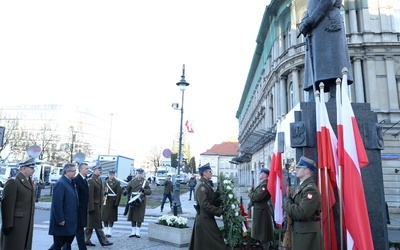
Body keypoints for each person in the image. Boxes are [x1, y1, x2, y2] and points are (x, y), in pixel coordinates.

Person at [298, 0, 353, 100]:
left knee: (333, 62)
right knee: (316, 65)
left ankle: (336, 96)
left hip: (328, 24)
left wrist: (310, 20)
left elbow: (327, 2)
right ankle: (313, 98)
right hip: (315, 30)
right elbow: (310, 10)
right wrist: (303, 23)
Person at [284, 156, 322, 250]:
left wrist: (287, 203)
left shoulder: (310, 189)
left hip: (306, 234)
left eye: (299, 167)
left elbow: (302, 212)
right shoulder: (301, 187)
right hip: (300, 230)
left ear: (307, 171)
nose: (296, 169)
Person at [189, 163, 227, 250]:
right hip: (204, 218)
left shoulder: (206, 184)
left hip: (207, 217)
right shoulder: (201, 186)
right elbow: (205, 205)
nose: (211, 173)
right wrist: (220, 211)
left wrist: (219, 193)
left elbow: (211, 200)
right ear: (204, 173)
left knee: (204, 244)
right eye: (209, 171)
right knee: (217, 242)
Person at [0, 158, 36, 250]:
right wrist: (7, 225)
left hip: (26, 224)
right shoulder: (14, 182)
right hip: (15, 225)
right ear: (23, 168)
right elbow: (7, 205)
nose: (33, 170)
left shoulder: (29, 182)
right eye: (31, 168)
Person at [49, 163, 79, 250]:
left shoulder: (70, 182)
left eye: (75, 171)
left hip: (70, 220)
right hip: (63, 221)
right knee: (58, 245)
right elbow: (57, 203)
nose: (75, 173)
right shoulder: (61, 183)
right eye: (73, 171)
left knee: (66, 243)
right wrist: (60, 219)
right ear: (67, 171)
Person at [84, 165, 113, 247]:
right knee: (98, 224)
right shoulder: (91, 180)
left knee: (90, 225)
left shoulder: (99, 180)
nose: (101, 171)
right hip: (94, 206)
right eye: (99, 170)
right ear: (94, 170)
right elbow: (90, 195)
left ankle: (86, 240)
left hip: (99, 205)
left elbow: (99, 192)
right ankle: (104, 240)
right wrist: (90, 207)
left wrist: (104, 194)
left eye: (101, 170)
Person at [248, 168, 274, 250]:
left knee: (264, 233)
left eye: (260, 173)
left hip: (262, 211)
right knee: (260, 232)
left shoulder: (265, 185)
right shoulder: (262, 184)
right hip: (259, 210)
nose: (259, 175)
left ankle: (266, 247)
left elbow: (258, 197)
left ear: (265, 175)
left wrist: (250, 193)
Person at [126, 168, 151, 238]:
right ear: (136, 174)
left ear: (143, 174)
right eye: (138, 173)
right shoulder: (132, 181)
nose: (139, 174)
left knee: (139, 216)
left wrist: (144, 190)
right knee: (132, 215)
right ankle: (133, 231)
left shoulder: (145, 182)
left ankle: (138, 232)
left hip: (141, 200)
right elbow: (127, 189)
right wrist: (124, 191)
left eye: (141, 173)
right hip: (133, 199)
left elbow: (149, 192)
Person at [74, 162, 90, 250]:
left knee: (77, 232)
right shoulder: (77, 180)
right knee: (78, 232)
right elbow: (77, 197)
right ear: (80, 169)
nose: (88, 170)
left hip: (83, 209)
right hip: (78, 210)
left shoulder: (84, 179)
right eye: (86, 169)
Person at [102, 170, 122, 238]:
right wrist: (103, 193)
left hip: (112, 200)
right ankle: (105, 230)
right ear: (108, 175)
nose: (111, 176)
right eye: (110, 175)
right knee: (104, 217)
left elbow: (119, 193)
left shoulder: (117, 182)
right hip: (106, 200)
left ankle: (109, 231)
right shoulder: (105, 182)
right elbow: (102, 190)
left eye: (112, 175)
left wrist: (117, 202)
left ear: (114, 175)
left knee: (111, 217)